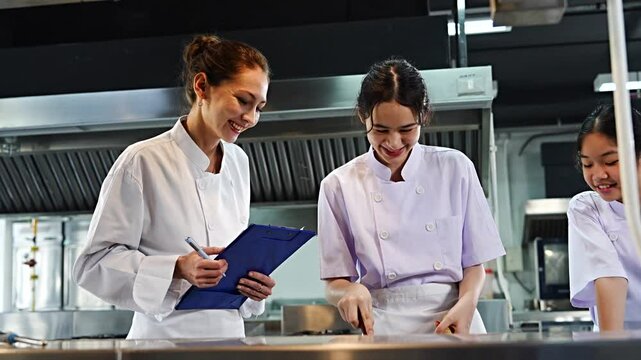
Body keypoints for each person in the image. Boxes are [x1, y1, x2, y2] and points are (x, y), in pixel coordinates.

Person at [73, 34, 275, 339]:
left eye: (259, 107)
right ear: (202, 86)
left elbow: (229, 261)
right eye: (242, 101)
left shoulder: (238, 161)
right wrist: (178, 267)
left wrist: (253, 284)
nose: (250, 118)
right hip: (162, 343)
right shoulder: (143, 160)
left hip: (230, 341)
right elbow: (93, 265)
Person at [317, 58, 505, 335]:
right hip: (385, 326)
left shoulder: (455, 167)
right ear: (362, 115)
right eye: (380, 130)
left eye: (407, 130)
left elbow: (474, 263)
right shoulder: (338, 185)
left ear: (423, 116)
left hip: (455, 319)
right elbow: (335, 283)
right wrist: (350, 290)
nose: (393, 143)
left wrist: (467, 303)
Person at [568, 104, 641, 331]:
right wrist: (612, 349)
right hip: (619, 338)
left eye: (610, 162)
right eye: (587, 164)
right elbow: (609, 276)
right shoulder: (587, 208)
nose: (599, 175)